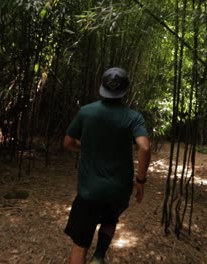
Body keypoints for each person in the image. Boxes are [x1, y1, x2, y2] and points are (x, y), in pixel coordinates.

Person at [63, 67, 151, 264]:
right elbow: (144, 148)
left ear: (101, 86)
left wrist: (84, 148)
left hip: (89, 191)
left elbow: (68, 142)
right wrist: (141, 180)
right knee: (111, 219)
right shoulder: (133, 117)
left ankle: (94, 256)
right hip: (119, 190)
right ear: (126, 89)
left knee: (80, 244)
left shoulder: (86, 112)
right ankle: (99, 256)